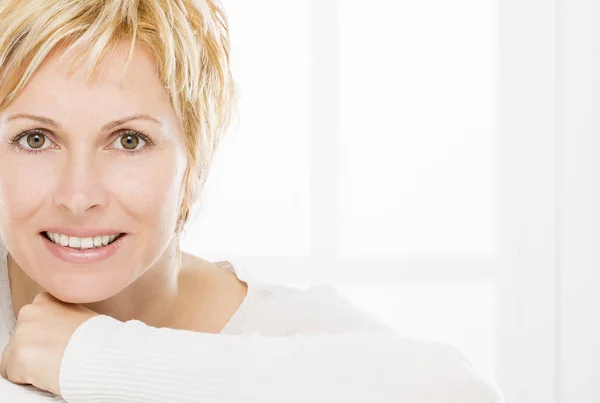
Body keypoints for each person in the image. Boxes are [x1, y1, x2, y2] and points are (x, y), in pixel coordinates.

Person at [0, 0, 505, 402]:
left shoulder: (294, 335)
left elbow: (463, 394)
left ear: (194, 163)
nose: (78, 195)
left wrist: (96, 358)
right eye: (35, 139)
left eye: (129, 140)